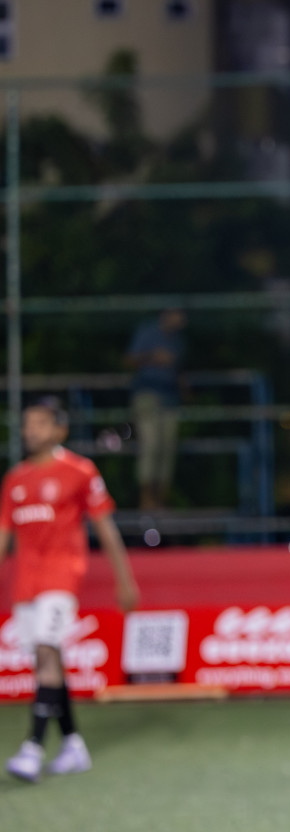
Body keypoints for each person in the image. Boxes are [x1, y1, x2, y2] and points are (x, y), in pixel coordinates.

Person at [1, 398, 139, 782]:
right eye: (27, 423)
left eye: (40, 423)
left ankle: (32, 747)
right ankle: (73, 744)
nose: (31, 430)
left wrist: (124, 579)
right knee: (48, 664)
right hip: (25, 582)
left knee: (47, 651)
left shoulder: (80, 471)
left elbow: (105, 526)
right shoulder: (15, 479)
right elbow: (3, 535)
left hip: (61, 576)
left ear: (59, 430)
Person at [125, 308, 186, 509]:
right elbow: (129, 359)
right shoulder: (147, 332)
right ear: (167, 314)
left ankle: (160, 501)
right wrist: (153, 357)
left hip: (170, 398)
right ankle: (146, 501)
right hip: (147, 395)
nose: (182, 319)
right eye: (179, 314)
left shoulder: (178, 340)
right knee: (150, 445)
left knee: (167, 449)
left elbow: (179, 371)